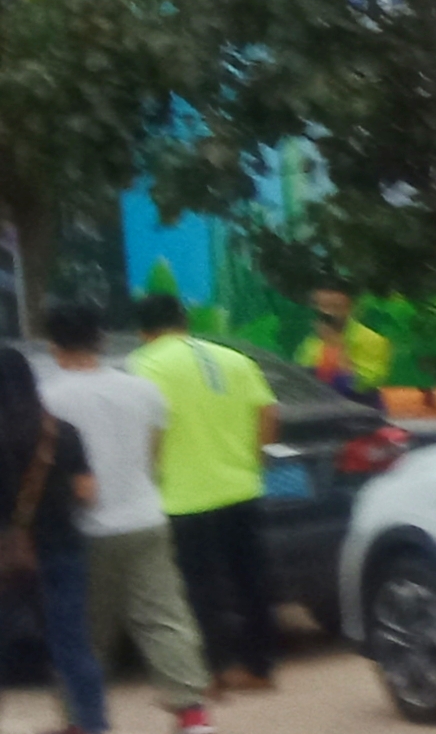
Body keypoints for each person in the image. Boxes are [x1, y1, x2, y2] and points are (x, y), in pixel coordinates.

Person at [43, 303, 214, 734]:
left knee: (83, 630)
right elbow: (153, 456)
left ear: (52, 346)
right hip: (145, 518)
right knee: (163, 618)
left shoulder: (48, 398)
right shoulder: (143, 390)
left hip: (83, 529)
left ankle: (81, 719)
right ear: (101, 340)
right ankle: (192, 713)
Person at [128, 293, 281, 694]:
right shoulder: (233, 358)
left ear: (143, 331)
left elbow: (148, 428)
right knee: (251, 581)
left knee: (199, 589)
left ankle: (211, 672)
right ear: (184, 321)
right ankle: (259, 668)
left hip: (183, 497)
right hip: (242, 488)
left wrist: (148, 471)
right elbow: (268, 411)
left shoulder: (143, 365)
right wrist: (254, 458)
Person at [0, 347, 108, 734]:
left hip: (5, 559)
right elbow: (86, 492)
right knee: (72, 643)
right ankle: (90, 724)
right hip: (62, 547)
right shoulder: (60, 431)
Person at [295, 282, 390, 406]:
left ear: (350, 308)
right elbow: (302, 373)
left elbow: (361, 385)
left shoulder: (371, 340)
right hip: (319, 404)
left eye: (336, 307)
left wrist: (336, 346)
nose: (328, 312)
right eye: (322, 306)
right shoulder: (313, 340)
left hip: (359, 408)